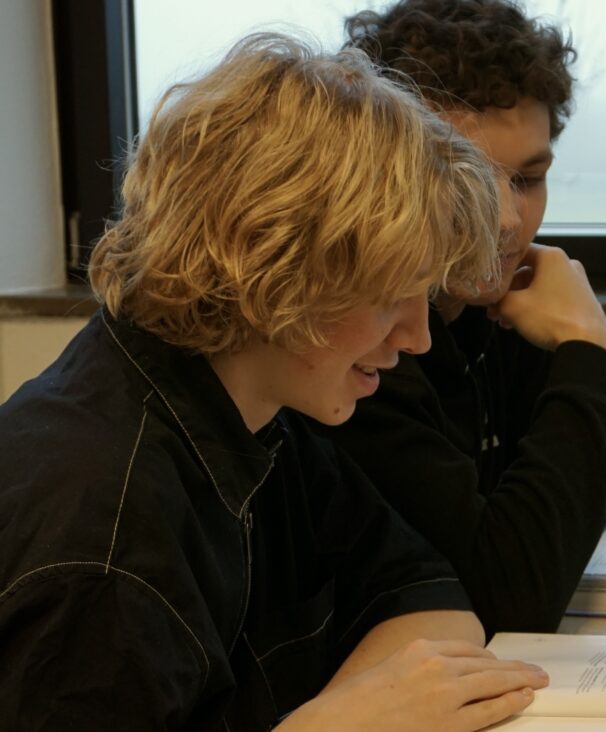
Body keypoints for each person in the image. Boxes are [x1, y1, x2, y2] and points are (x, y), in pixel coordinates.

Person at [0, 33, 548, 730]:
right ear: (279, 273)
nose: (417, 338)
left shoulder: (256, 408)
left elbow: (425, 593)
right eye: (391, 298)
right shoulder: (102, 549)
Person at [332, 0, 606, 634]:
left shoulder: (479, 315)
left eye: (527, 178)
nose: (509, 220)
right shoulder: (362, 351)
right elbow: (511, 599)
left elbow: (603, 448)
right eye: (466, 179)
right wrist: (587, 347)